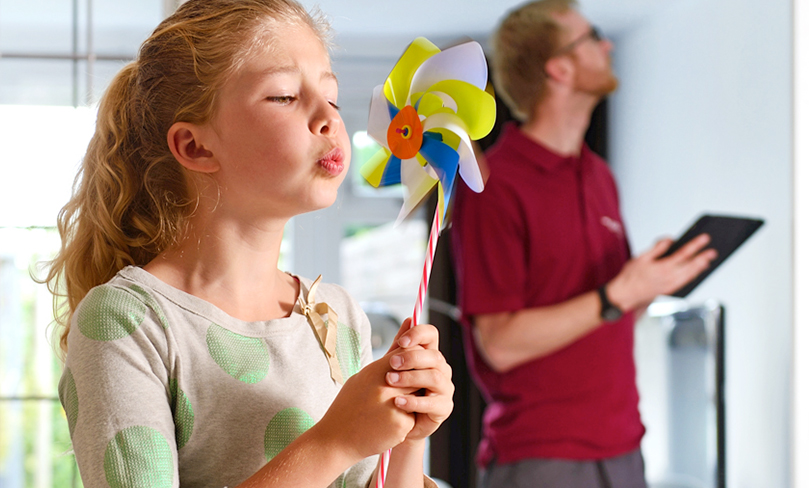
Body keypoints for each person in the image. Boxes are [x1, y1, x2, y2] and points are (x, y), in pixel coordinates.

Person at [40, 1, 455, 487]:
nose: (328, 119)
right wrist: (336, 441)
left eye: (333, 97)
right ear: (195, 147)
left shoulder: (338, 315)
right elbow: (336, 444)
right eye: (283, 96)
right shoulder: (129, 321)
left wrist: (407, 433)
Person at [449, 1, 718, 487]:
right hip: (541, 458)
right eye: (593, 36)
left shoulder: (598, 176)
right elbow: (501, 345)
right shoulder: (495, 185)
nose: (607, 44)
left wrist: (648, 284)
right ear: (560, 67)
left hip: (625, 449)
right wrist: (616, 294)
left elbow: (609, 316)